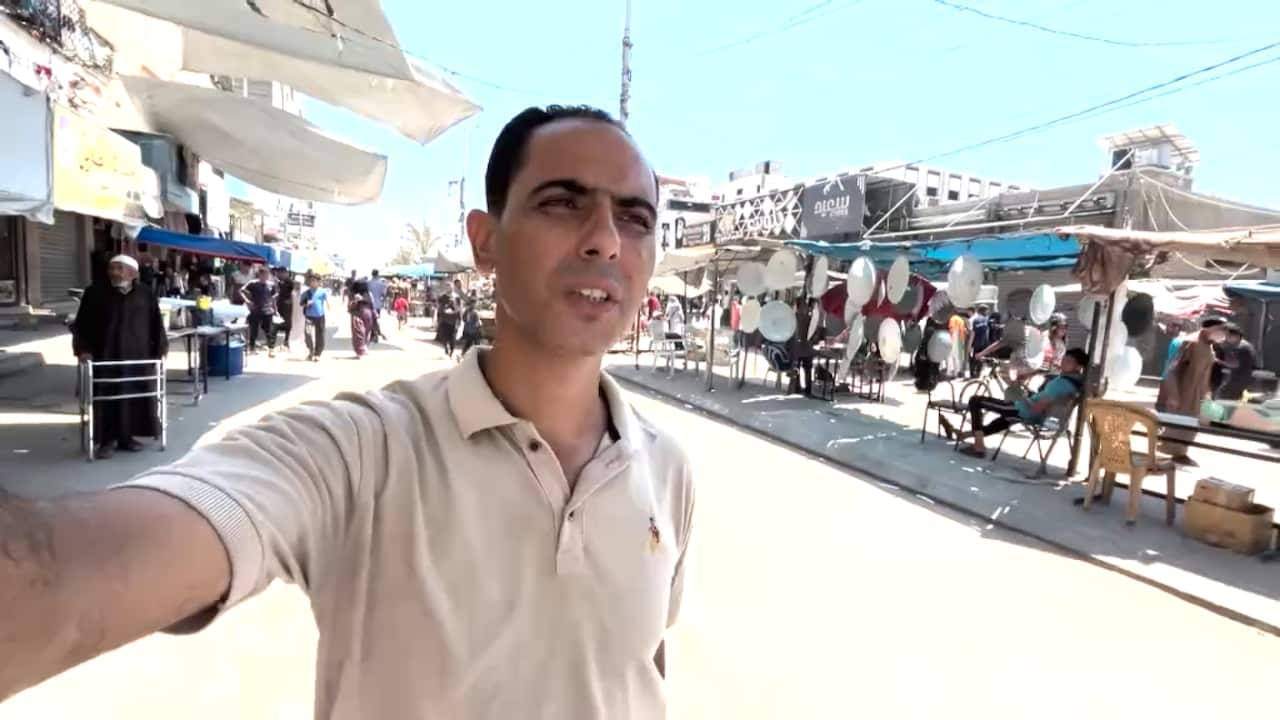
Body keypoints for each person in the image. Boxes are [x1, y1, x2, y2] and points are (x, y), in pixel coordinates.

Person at [0, 105, 691, 717]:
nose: (606, 239)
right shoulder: (361, 451)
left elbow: (640, 659)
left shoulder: (667, 468)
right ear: (485, 241)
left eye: (635, 218)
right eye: (562, 203)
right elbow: (66, 580)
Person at [71, 255, 168, 459]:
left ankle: (127, 437)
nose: (114, 272)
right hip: (105, 356)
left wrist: (160, 349)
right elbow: (81, 325)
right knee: (107, 398)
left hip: (136, 356)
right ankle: (106, 441)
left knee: (133, 396)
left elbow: (155, 323)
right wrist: (83, 349)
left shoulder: (145, 294)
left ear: (133, 273)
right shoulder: (95, 293)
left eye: (120, 268)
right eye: (112, 268)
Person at [942, 348, 1089, 458]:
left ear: (1078, 367)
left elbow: (1036, 409)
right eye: (1064, 359)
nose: (1063, 363)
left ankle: (978, 447)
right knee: (1003, 420)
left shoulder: (1060, 384)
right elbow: (1044, 400)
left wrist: (1022, 395)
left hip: (1024, 411)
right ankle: (965, 435)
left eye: (1068, 361)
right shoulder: (1074, 383)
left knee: (975, 400)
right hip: (1041, 415)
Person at [1156, 316, 1229, 464]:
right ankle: (1168, 453)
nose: (1222, 334)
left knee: (1190, 426)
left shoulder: (1208, 345)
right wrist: (1173, 395)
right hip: (1184, 392)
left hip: (1198, 393)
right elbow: (1172, 371)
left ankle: (1181, 453)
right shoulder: (1190, 342)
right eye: (1221, 330)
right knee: (1178, 425)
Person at [239, 267, 278, 357]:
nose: (265, 277)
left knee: (269, 330)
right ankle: (252, 347)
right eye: (263, 275)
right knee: (254, 330)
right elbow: (241, 291)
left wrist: (275, 310)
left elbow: (273, 298)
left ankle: (271, 349)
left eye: (267, 275)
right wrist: (247, 301)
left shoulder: (271, 285)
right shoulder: (253, 283)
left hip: (268, 310)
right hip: (255, 310)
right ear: (259, 275)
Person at [1216, 323, 1257, 400]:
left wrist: (1217, 361)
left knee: (1222, 396)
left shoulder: (1242, 347)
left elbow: (1235, 365)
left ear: (1236, 335)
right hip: (1239, 379)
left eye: (1227, 336)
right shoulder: (1242, 345)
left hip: (1238, 380)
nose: (1225, 338)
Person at [299, 273, 330, 362]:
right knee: (308, 334)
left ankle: (317, 354)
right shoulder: (306, 293)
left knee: (320, 335)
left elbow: (327, 302)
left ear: (318, 282)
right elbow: (301, 303)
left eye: (314, 281)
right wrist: (306, 304)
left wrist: (329, 312)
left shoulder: (322, 292)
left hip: (320, 316)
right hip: (309, 316)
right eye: (311, 281)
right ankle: (311, 351)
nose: (312, 283)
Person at [347, 279, 374, 358]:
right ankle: (360, 350)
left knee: (364, 332)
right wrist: (355, 301)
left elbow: (372, 303)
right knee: (360, 332)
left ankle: (363, 347)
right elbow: (350, 305)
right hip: (359, 314)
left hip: (365, 314)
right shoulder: (353, 294)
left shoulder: (368, 294)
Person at [274, 266, 297, 352]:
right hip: (280, 303)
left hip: (287, 304)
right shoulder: (279, 281)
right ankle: (275, 342)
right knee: (277, 321)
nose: (280, 274)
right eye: (279, 273)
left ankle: (286, 341)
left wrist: (279, 283)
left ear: (286, 273)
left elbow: (287, 291)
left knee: (287, 322)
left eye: (282, 273)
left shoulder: (289, 281)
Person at [367, 269, 387, 343]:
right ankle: (374, 334)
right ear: (378, 274)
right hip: (378, 304)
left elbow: (366, 293)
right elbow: (384, 295)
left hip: (369, 304)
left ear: (372, 274)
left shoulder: (368, 283)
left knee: (371, 319)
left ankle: (373, 334)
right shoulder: (382, 284)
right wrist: (382, 301)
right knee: (376, 318)